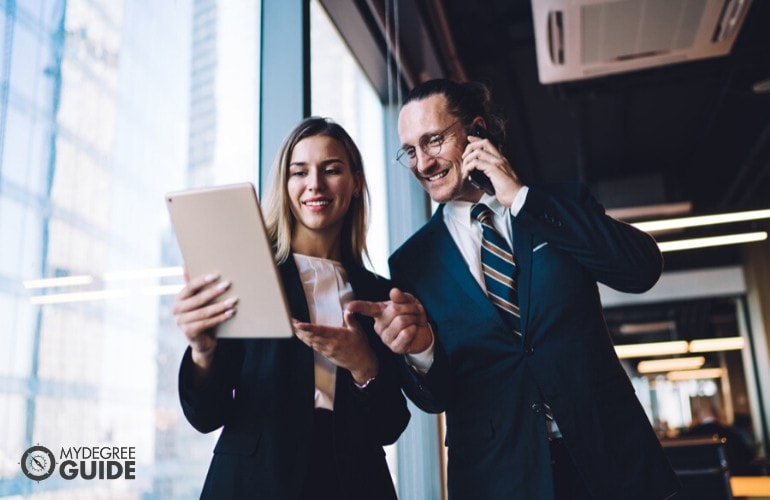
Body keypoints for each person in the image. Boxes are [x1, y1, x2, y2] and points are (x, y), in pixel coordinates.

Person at [349, 79, 681, 499]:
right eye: (410, 151)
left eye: (433, 141)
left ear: (477, 131)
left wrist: (521, 198)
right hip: (499, 477)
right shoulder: (413, 262)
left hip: (611, 459)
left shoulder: (559, 204)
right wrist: (422, 351)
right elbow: (435, 399)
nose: (422, 163)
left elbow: (641, 270)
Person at [173, 117, 410, 499]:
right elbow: (205, 416)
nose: (314, 183)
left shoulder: (379, 293)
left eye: (331, 169)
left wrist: (364, 365)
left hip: (352, 484)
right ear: (285, 186)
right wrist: (203, 350)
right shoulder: (248, 272)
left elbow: (390, 426)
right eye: (299, 172)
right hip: (254, 483)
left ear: (355, 182)